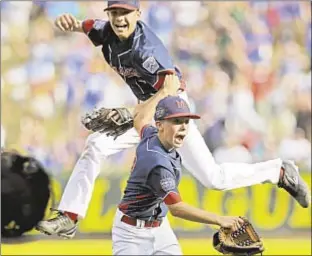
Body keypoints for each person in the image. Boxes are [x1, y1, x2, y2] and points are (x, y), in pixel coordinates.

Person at [36, 0, 310, 239]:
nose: (120, 18)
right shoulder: (105, 30)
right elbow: (88, 25)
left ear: (138, 14)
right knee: (95, 144)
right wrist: (71, 24)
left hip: (172, 108)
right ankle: (69, 217)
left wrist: (136, 113)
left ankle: (279, 171)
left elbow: (172, 86)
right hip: (147, 108)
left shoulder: (147, 48)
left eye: (126, 12)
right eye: (114, 12)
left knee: (214, 178)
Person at [113, 80, 245, 255]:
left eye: (186, 121)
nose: (183, 126)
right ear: (159, 124)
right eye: (176, 120)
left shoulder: (152, 135)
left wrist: (164, 91)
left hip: (159, 227)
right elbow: (177, 208)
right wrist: (220, 219)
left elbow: (140, 118)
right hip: (131, 234)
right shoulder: (156, 161)